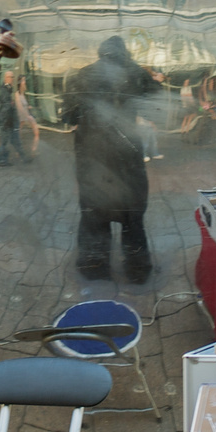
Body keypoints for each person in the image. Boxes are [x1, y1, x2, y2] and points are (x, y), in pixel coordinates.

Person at [62, 35, 161, 283]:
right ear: (124, 52)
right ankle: (138, 270)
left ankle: (94, 267)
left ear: (100, 52)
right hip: (127, 154)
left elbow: (69, 117)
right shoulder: (136, 73)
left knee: (94, 215)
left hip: (92, 155)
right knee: (133, 215)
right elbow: (158, 106)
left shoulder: (81, 76)